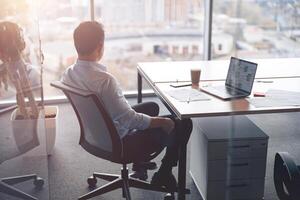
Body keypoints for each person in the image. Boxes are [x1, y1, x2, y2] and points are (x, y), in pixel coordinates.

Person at [61, 21, 192, 191]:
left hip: (95, 136)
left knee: (152, 107)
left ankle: (140, 165)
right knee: (182, 123)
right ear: (100, 45)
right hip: (120, 144)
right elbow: (129, 120)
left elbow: (117, 114)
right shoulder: (104, 80)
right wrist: (163, 122)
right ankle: (164, 173)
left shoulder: (69, 73)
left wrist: (153, 119)